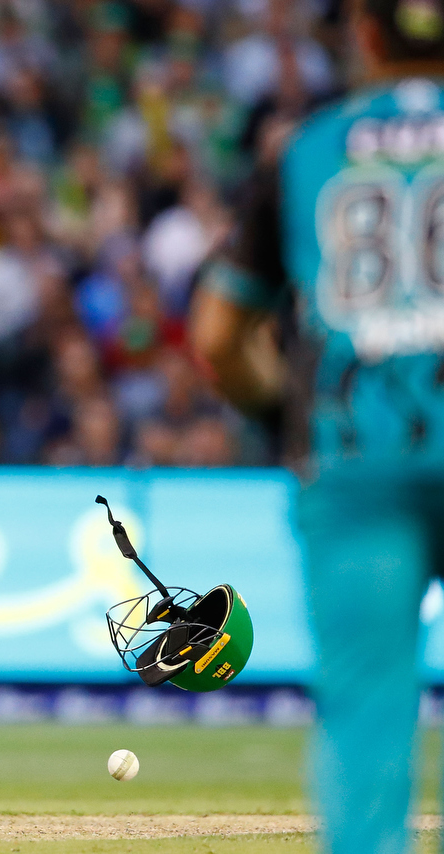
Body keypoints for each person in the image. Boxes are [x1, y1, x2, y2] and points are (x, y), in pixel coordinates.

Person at [190, 2, 444, 852]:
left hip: (355, 451)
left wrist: (283, 418)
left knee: (367, 711)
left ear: (364, 34)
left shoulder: (305, 149)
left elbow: (221, 337)